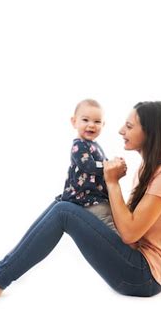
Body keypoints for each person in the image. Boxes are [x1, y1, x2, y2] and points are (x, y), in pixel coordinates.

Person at [0, 101, 161, 299]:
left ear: (150, 132)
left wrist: (111, 182)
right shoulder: (147, 170)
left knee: (64, 212)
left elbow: (129, 233)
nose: (120, 131)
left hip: (143, 277)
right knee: (63, 204)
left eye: (129, 126)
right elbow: (125, 222)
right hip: (133, 264)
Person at [57, 98, 117, 233]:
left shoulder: (95, 146)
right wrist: (109, 165)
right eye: (85, 120)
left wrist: (114, 165)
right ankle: (124, 250)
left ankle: (126, 248)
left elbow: (104, 166)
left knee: (113, 224)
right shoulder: (79, 145)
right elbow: (88, 166)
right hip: (87, 200)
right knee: (110, 229)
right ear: (74, 122)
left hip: (98, 199)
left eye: (97, 122)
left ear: (103, 124)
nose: (91, 125)